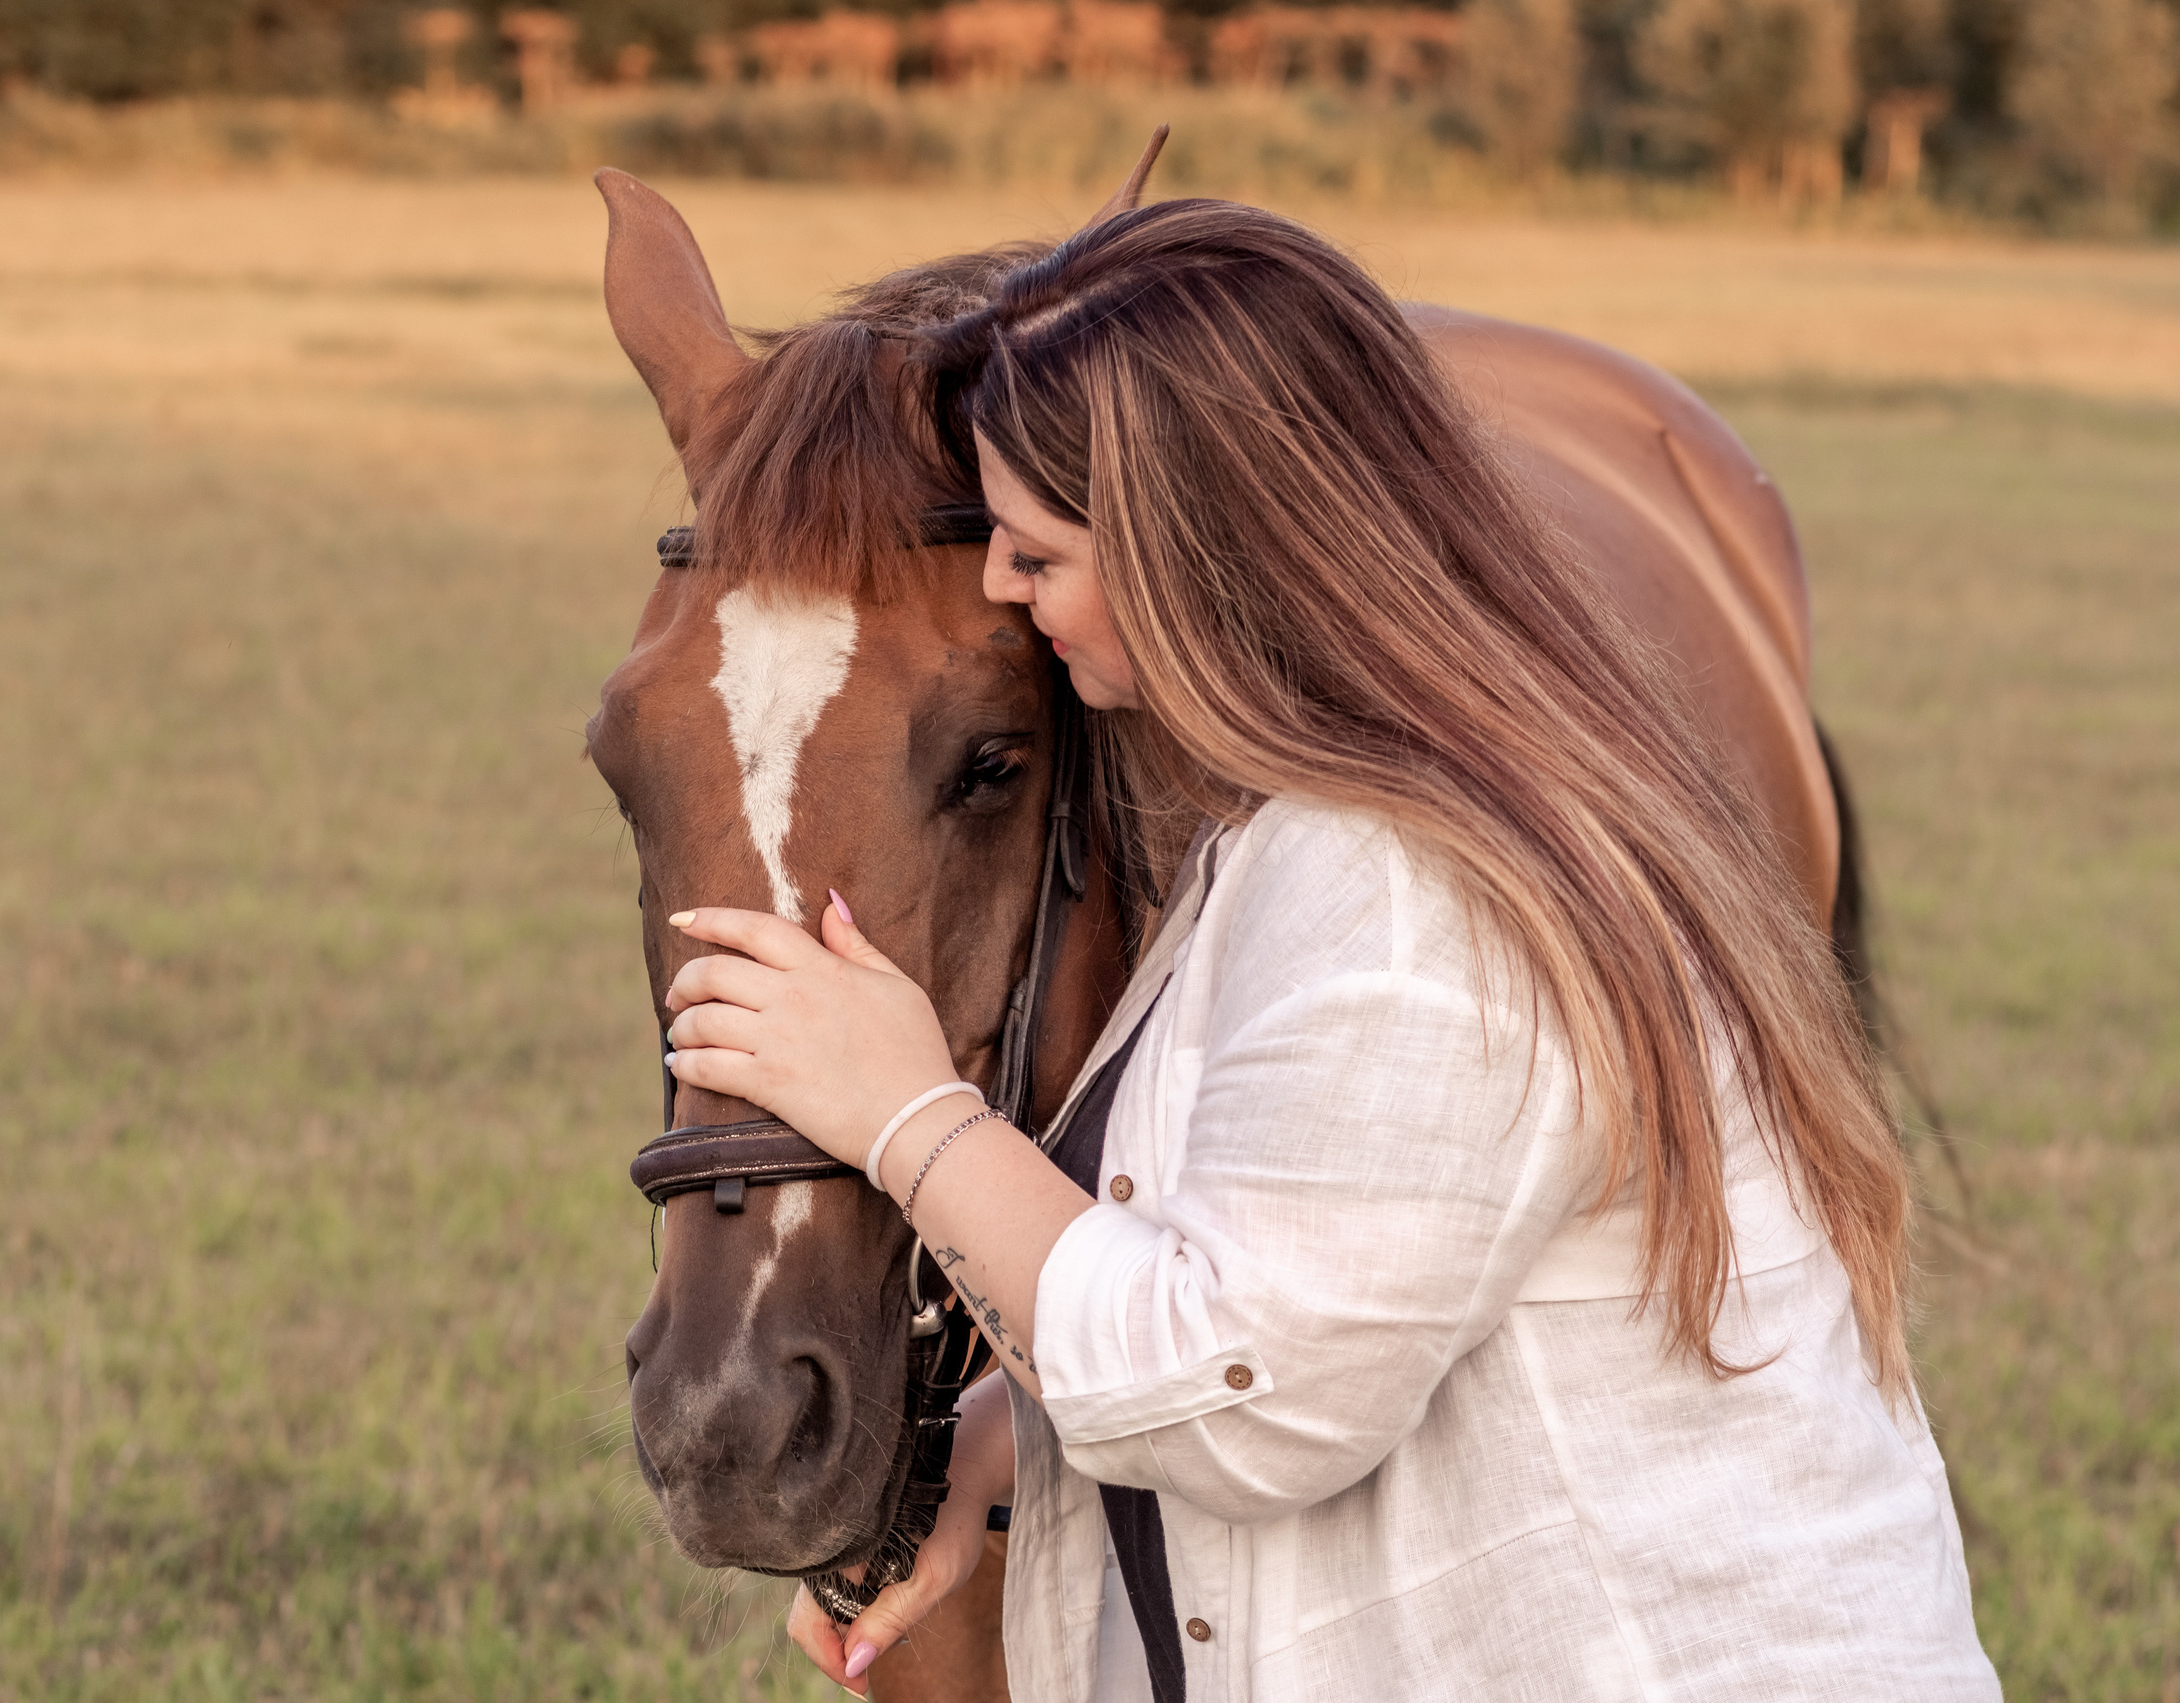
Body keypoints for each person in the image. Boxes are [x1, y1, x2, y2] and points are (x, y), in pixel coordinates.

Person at [658, 201, 1999, 1701]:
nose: (1000, 595)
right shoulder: (1327, 819)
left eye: (1038, 551)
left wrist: (908, 1117)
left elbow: (1250, 1397)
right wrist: (993, 1465)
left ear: (1202, 552)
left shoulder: (1410, 884)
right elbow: (1311, 1261)